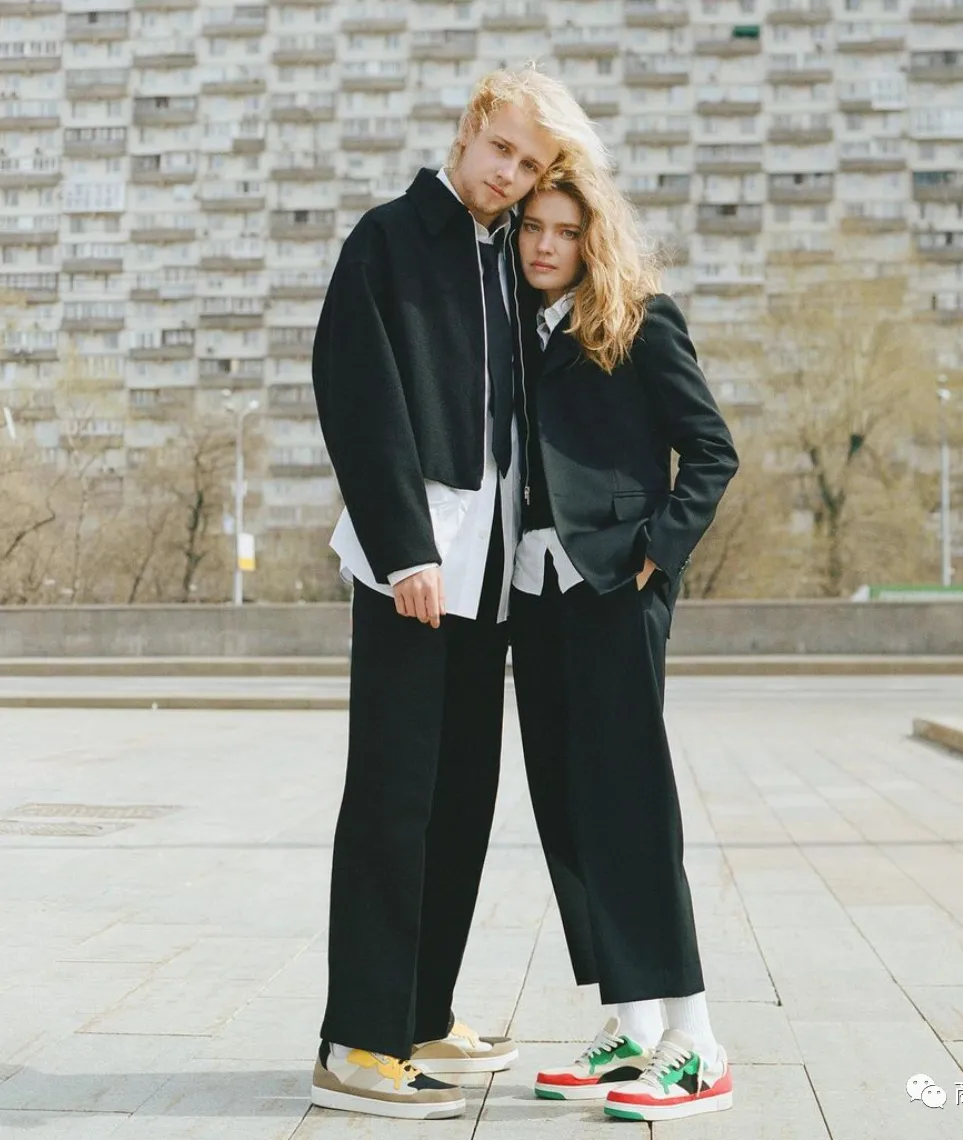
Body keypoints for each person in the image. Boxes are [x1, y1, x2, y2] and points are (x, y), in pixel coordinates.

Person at [309, 68, 607, 1120]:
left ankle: (420, 1013)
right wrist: (404, 550)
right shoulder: (387, 240)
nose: (510, 176)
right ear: (471, 128)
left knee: (461, 802)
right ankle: (358, 1042)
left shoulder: (508, 258)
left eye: (529, 166)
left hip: (490, 575)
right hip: (414, 568)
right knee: (393, 801)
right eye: (502, 151)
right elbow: (356, 394)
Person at [508, 169, 740, 1123]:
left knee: (632, 809)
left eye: (565, 231)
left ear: (594, 239)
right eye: (533, 227)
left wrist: (657, 550)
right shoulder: (515, 332)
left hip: (614, 588)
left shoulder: (643, 321)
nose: (545, 245)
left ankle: (698, 1044)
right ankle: (635, 1028)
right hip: (534, 594)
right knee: (569, 809)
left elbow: (713, 450)